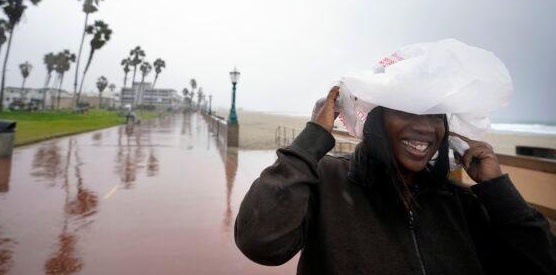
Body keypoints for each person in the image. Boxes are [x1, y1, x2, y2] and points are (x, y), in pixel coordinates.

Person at [234, 87, 556, 274]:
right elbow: (259, 240)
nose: (425, 128)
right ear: (376, 121)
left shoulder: (460, 203)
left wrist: (497, 190)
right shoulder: (327, 180)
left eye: (434, 115)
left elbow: (542, 263)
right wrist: (313, 138)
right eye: (407, 111)